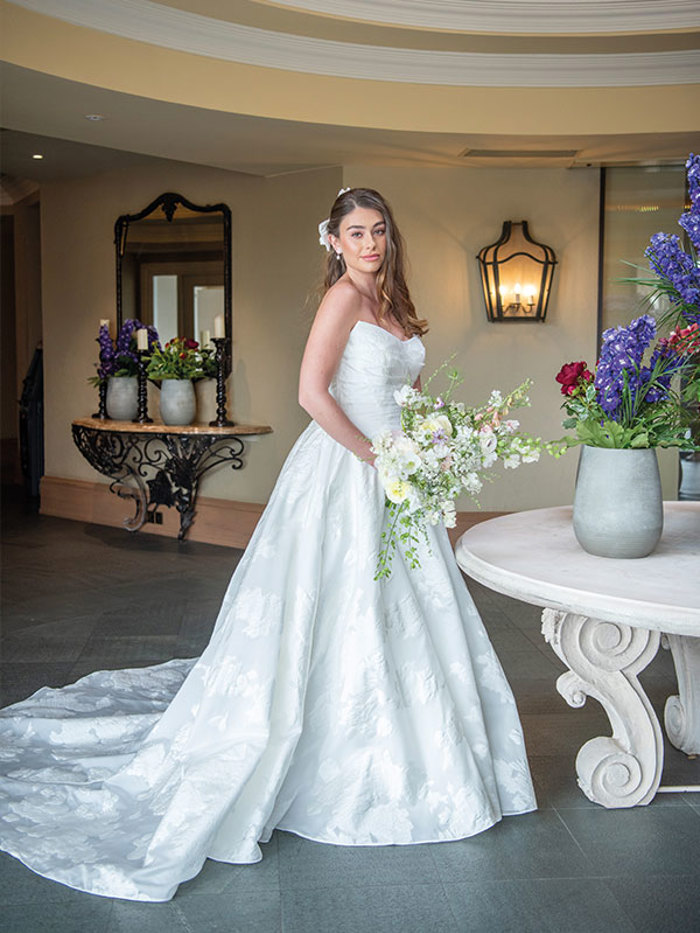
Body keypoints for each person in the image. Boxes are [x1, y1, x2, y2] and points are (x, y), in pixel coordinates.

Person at [0, 188, 536, 903]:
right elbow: (313, 394)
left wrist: (434, 440)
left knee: (403, 610)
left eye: (378, 231)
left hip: (396, 473)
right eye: (356, 232)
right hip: (348, 470)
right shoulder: (344, 299)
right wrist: (381, 459)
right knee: (342, 604)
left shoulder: (397, 308)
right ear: (335, 242)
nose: (370, 243)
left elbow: (408, 395)